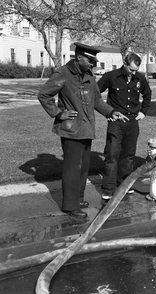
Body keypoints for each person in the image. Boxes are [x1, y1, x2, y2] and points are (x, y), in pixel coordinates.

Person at [38, 42, 128, 220]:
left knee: (83, 167)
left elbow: (96, 101)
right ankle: (70, 206)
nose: (93, 64)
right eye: (90, 60)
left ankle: (77, 199)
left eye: (94, 60)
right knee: (72, 168)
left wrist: (111, 112)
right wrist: (58, 113)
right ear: (79, 58)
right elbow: (44, 94)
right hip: (71, 129)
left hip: (86, 129)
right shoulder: (63, 73)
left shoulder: (88, 75)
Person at [97, 52, 152, 201]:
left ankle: (124, 184)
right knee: (112, 155)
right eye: (131, 69)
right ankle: (108, 189)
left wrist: (143, 112)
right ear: (125, 64)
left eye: (136, 70)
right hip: (116, 121)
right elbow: (95, 94)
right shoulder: (111, 76)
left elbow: (148, 94)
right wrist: (108, 112)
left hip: (133, 122)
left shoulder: (140, 78)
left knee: (128, 156)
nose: (133, 72)